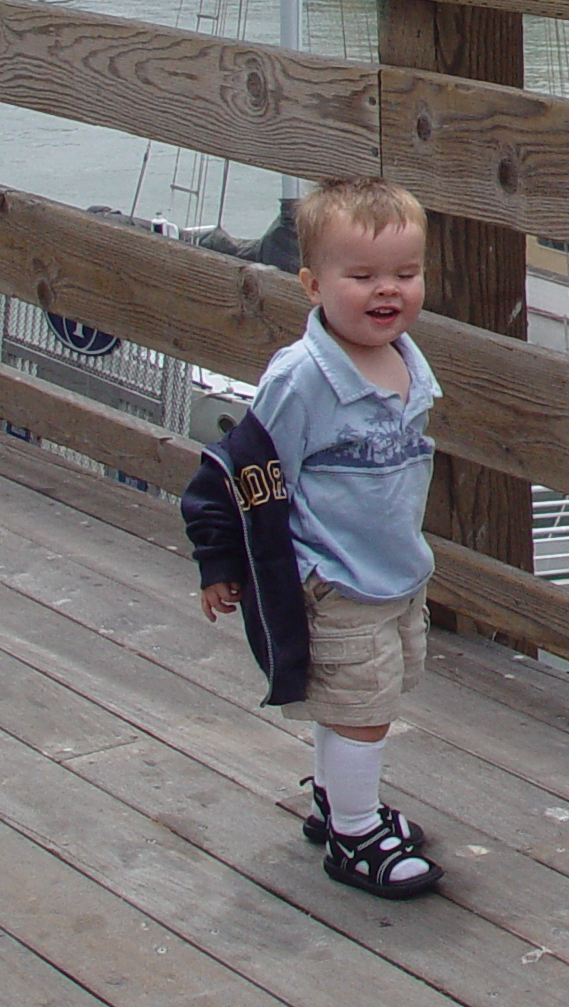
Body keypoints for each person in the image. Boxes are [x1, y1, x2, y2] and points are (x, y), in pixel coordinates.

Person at [185, 178, 445, 900]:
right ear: (312, 283)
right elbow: (237, 470)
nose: (386, 291)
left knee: (363, 701)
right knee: (365, 714)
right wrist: (220, 560)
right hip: (334, 582)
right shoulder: (301, 380)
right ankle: (355, 837)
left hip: (395, 573)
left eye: (405, 273)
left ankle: (337, 802)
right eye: (361, 277)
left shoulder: (404, 356)